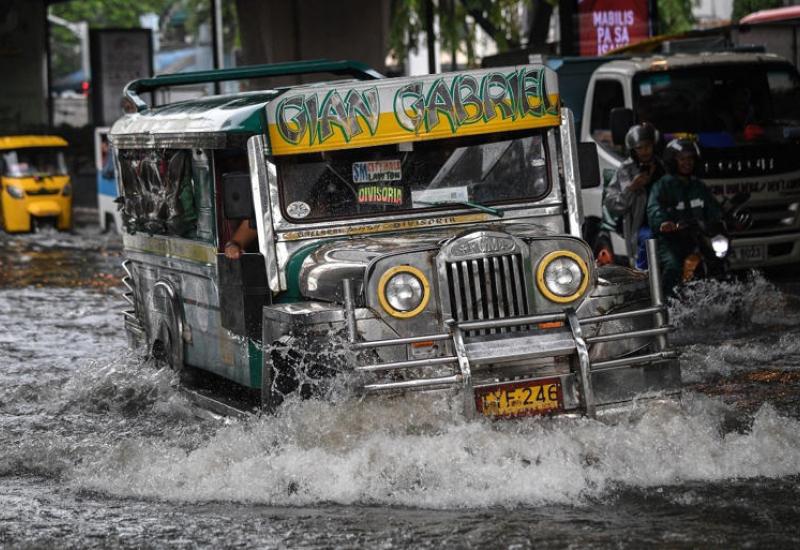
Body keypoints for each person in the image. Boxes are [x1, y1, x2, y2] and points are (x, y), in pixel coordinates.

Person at [647, 138, 721, 295]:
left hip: (697, 237)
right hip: (670, 241)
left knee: (717, 261)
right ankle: (668, 305)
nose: (687, 162)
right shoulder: (663, 185)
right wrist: (664, 222)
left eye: (690, 158)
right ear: (673, 161)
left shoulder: (698, 186)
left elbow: (713, 208)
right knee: (673, 266)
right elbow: (654, 209)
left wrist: (725, 219)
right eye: (682, 158)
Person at [603, 123, 664, 269]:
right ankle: (643, 277)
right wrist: (632, 188)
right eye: (639, 148)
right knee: (648, 240)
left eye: (647, 146)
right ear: (633, 150)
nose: (644, 151)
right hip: (642, 225)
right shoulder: (626, 170)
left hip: (666, 221)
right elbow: (613, 204)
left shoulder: (663, 167)